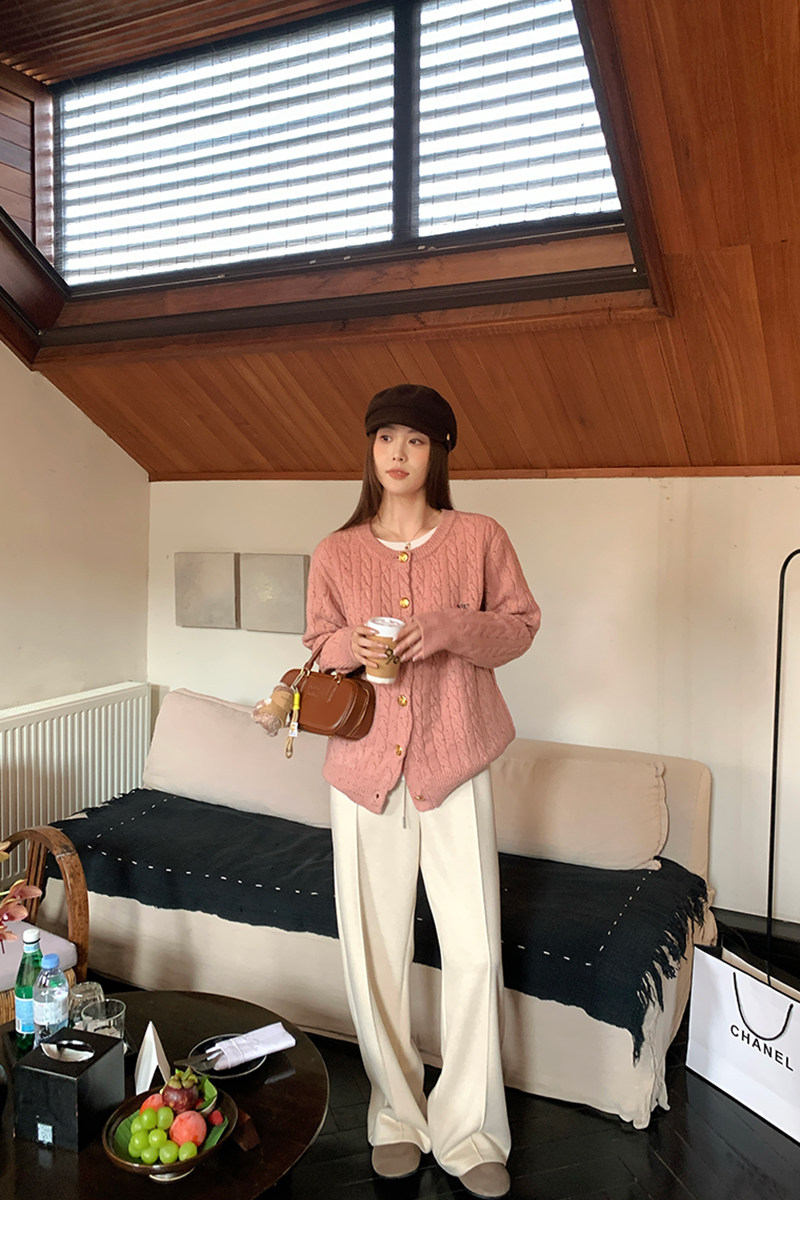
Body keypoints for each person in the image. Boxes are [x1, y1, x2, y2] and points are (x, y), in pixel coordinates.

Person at [302, 383, 541, 1198]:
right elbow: (316, 646)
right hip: (363, 774)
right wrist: (354, 643)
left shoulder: (480, 537)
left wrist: (445, 628)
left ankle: (471, 1131)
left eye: (413, 439)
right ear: (369, 449)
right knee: (373, 954)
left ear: (438, 451)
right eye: (384, 438)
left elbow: (520, 627)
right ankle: (396, 1117)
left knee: (474, 950)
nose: (397, 454)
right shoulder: (336, 551)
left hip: (454, 765)